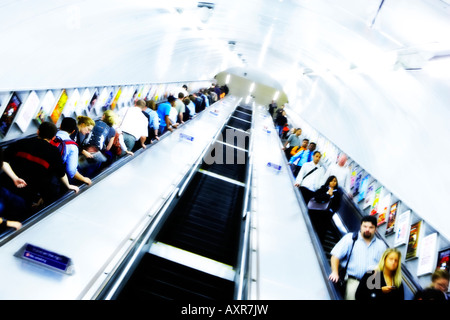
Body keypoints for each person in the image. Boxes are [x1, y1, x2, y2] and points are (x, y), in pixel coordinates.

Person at [2, 122, 79, 208]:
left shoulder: (21, 142)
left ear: (38, 132)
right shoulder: (53, 152)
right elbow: (60, 173)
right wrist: (68, 185)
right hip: (26, 194)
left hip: (5, 185)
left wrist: (15, 178)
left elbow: (3, 161)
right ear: (53, 138)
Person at [328, 215, 387, 300]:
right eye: (365, 226)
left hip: (372, 283)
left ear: (375, 229)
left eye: (371, 227)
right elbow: (335, 256)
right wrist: (335, 272)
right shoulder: (350, 238)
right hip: (353, 281)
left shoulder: (381, 245)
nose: (367, 229)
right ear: (361, 226)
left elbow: (384, 267)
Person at [55, 117, 92, 186]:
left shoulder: (51, 136)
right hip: (58, 178)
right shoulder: (72, 146)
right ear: (73, 131)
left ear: (60, 126)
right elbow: (71, 171)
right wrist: (84, 179)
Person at [309, 175, 342, 240]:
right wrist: (327, 194)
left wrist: (332, 197)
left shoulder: (337, 193)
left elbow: (337, 204)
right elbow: (316, 197)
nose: (333, 182)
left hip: (326, 215)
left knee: (322, 230)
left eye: (335, 181)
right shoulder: (323, 188)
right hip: (317, 212)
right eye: (331, 181)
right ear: (328, 181)